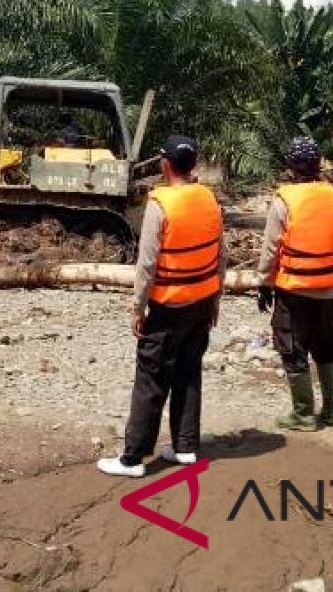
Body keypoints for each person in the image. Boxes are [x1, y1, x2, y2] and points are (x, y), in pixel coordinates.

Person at [97, 135, 224, 477]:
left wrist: (138, 307)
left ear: (165, 164)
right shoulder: (209, 199)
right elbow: (219, 255)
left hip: (168, 305)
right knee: (188, 372)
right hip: (201, 301)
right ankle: (185, 447)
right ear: (192, 164)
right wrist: (215, 299)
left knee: (151, 379)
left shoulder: (161, 204)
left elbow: (147, 263)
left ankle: (133, 458)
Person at [256, 137, 333, 431]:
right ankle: (332, 410)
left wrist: (263, 283)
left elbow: (271, 247)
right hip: (327, 285)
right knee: (324, 342)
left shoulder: (284, 200)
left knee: (292, 345)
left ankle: (304, 413)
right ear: (319, 163)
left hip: (294, 285)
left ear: (290, 167)